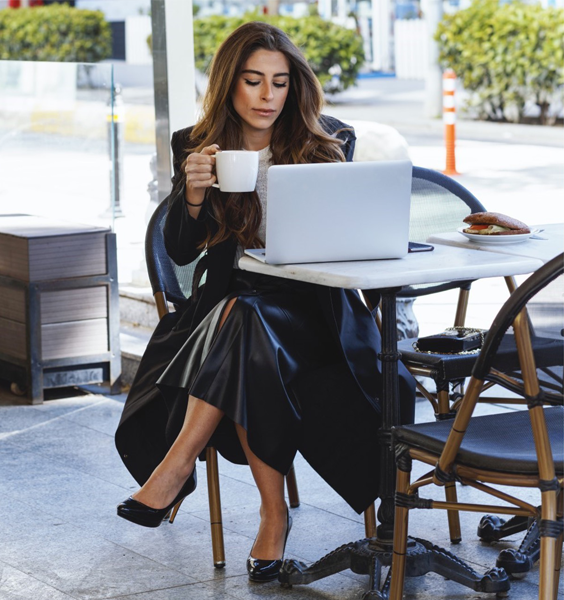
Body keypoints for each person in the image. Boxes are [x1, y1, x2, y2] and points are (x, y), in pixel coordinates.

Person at [114, 21, 415, 582]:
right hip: (228, 307)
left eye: (279, 83)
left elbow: (348, 238)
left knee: (246, 327)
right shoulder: (197, 142)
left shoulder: (328, 139)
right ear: (231, 84)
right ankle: (272, 516)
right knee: (247, 324)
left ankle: (176, 467)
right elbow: (179, 246)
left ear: (293, 85)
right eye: (253, 81)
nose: (267, 96)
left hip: (316, 312)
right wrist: (195, 193)